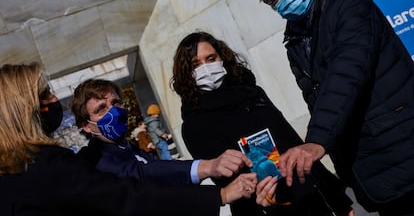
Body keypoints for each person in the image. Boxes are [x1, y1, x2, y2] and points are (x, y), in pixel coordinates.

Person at [255, 0, 414, 215]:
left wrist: (317, 140)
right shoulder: (294, 42)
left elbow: (347, 73)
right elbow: (316, 101)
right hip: (372, 170)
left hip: (402, 151)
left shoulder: (350, 6)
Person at [0, 62, 257, 216]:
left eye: (115, 103)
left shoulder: (20, 171)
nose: (54, 101)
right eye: (44, 95)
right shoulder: (71, 163)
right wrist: (216, 188)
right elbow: (131, 191)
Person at [170, 31, 353, 216]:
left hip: (307, 198)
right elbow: (228, 184)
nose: (206, 68)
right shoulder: (194, 124)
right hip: (262, 208)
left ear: (221, 58)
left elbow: (294, 143)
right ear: (187, 73)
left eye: (210, 58)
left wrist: (338, 199)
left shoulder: (253, 93)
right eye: (196, 64)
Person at [70, 78, 254, 187]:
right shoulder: (93, 159)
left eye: (116, 103)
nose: (113, 112)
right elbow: (142, 174)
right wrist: (208, 166)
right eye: (101, 109)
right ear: (86, 125)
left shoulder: (130, 148)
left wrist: (223, 193)